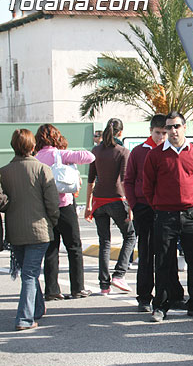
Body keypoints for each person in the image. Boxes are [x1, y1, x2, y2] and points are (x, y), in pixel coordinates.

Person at [143, 111, 193, 322]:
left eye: (177, 126)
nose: (173, 131)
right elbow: (148, 187)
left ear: (184, 127)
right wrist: (162, 205)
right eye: (169, 127)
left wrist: (190, 200)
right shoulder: (155, 155)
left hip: (191, 215)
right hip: (165, 216)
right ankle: (161, 305)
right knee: (163, 262)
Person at [124, 114, 185, 312]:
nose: (161, 136)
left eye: (164, 132)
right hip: (145, 208)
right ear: (150, 131)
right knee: (147, 253)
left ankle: (173, 293)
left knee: (168, 253)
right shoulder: (139, 152)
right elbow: (129, 180)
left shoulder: (170, 151)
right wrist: (135, 205)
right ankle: (144, 296)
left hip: (166, 208)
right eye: (158, 132)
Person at [0, 129, 59, 330]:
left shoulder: (4, 172)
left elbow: (2, 202)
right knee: (30, 274)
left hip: (15, 231)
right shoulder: (43, 170)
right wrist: (52, 221)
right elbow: (52, 203)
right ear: (33, 147)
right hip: (39, 229)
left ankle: (37, 308)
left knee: (28, 272)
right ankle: (24, 319)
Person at [34, 124, 95, 300]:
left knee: (51, 249)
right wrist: (66, 154)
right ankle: (77, 288)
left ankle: (52, 290)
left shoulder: (36, 157)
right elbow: (89, 156)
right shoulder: (60, 154)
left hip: (45, 208)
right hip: (64, 206)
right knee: (74, 247)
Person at [85, 118, 136, 295]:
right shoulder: (123, 152)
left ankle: (104, 285)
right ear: (121, 132)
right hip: (116, 199)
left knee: (104, 242)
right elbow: (125, 181)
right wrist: (130, 206)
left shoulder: (96, 150)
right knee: (130, 235)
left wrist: (88, 205)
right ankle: (119, 274)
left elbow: (91, 180)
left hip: (98, 200)